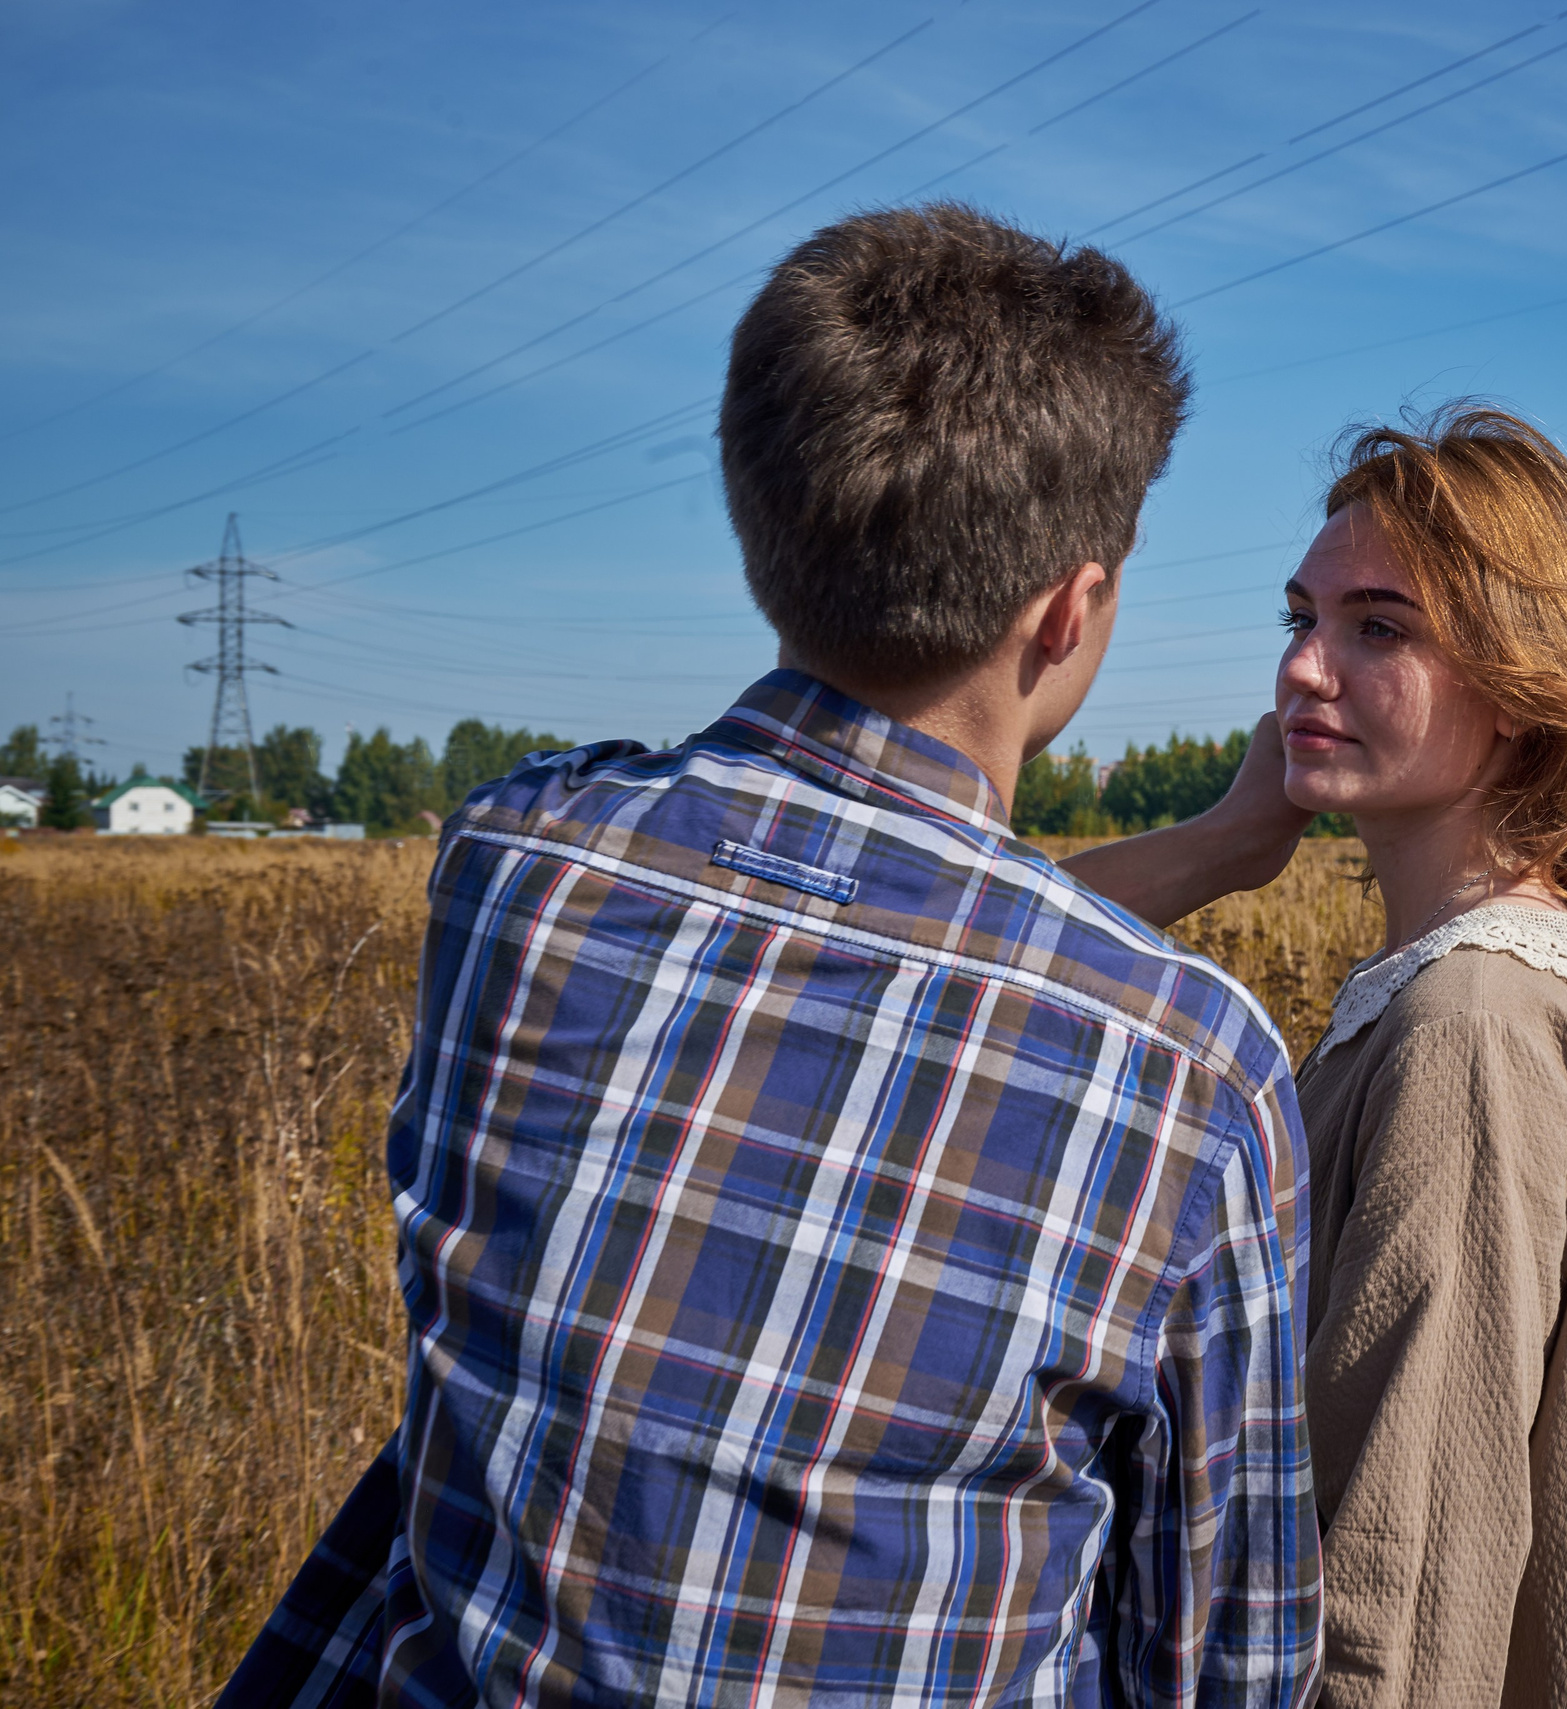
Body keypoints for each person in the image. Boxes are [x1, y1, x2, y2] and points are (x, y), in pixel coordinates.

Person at [218, 204, 1323, 1709]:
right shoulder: (1197, 1076)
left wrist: (1204, 851)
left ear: (762, 522)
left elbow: (874, 925)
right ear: (1071, 607)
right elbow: (1223, 1668)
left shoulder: (519, 866)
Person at [1084, 405, 1567, 1707]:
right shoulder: (1480, 988)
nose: (1305, 667)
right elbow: (969, 967)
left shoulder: (1470, 1030)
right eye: (1301, 617)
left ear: (1524, 695)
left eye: (1380, 628)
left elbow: (1402, 1603)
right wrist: (1223, 842)